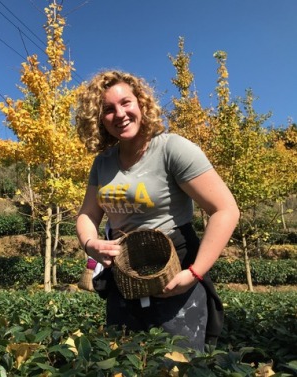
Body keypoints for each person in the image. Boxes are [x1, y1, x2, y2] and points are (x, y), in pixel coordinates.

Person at [75, 70, 240, 351]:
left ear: (141, 103)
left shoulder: (172, 149)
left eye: (126, 103)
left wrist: (195, 274)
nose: (120, 114)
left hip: (175, 272)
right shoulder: (102, 163)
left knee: (177, 363)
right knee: (125, 361)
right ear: (99, 119)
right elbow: (87, 215)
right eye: (108, 109)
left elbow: (225, 210)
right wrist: (91, 244)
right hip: (124, 278)